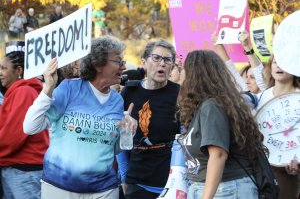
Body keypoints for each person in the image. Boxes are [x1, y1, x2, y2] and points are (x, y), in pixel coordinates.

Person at [23, 36, 137, 199]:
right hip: (60, 186)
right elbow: (30, 127)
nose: (124, 66)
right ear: (98, 64)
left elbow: (111, 147)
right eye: (118, 61)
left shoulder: (117, 100)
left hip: (104, 189)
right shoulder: (69, 88)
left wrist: (127, 131)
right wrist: (48, 88)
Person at [178, 50, 264, 198]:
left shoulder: (211, 106)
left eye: (184, 69)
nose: (180, 74)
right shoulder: (204, 106)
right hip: (212, 188)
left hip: (226, 189)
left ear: (195, 74)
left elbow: (218, 154)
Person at [117, 39, 180, 199]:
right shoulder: (129, 92)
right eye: (156, 58)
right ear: (144, 62)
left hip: (171, 184)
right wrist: (125, 177)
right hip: (137, 182)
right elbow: (120, 136)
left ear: (172, 66)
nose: (162, 63)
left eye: (167, 60)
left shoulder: (180, 94)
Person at [0, 50, 49, 199]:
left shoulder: (24, 92)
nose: (0, 73)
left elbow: (13, 135)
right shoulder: (19, 91)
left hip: (23, 172)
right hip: (17, 169)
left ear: (19, 70)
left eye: (4, 68)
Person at [256, 55, 300, 199]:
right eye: (275, 62)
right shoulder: (262, 96)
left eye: (284, 62)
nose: (279, 66)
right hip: (261, 166)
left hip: (288, 173)